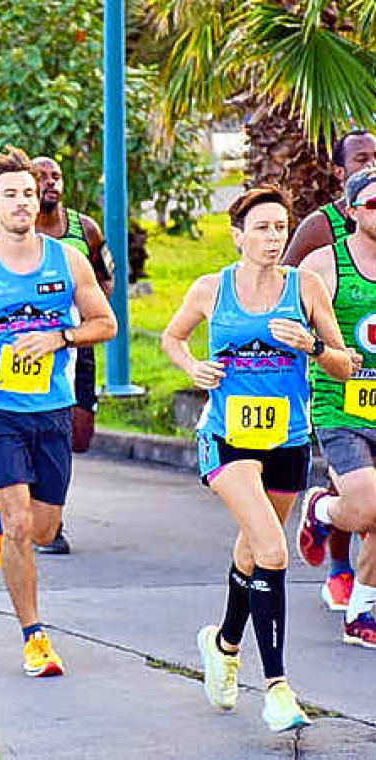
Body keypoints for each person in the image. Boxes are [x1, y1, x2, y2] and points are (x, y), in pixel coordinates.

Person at [161, 186, 353, 731]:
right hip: (226, 438)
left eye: (280, 228)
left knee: (251, 551)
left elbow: (342, 364)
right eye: (262, 228)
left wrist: (312, 346)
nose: (273, 238)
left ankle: (222, 644)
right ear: (238, 235)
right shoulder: (211, 288)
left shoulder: (306, 287)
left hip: (287, 441)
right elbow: (173, 339)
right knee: (272, 549)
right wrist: (192, 368)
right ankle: (278, 689)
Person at [0, 146, 117, 678]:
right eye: (9, 194)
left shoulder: (68, 261)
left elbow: (106, 325)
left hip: (53, 407)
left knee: (41, 528)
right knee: (17, 525)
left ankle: (1, 519)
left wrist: (60, 337)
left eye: (28, 194)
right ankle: (35, 637)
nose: (21, 203)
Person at [283, 130, 376, 612]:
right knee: (363, 500)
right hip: (339, 398)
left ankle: (364, 608)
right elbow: (279, 295)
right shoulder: (322, 246)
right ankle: (327, 530)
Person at [31, 155, 117, 555]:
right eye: (41, 176)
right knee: (40, 429)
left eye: (56, 176)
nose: (50, 182)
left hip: (76, 346)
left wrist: (89, 309)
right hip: (30, 349)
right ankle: (43, 515)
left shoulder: (85, 229)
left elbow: (106, 277)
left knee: (77, 434)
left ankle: (38, 503)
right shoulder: (19, 229)